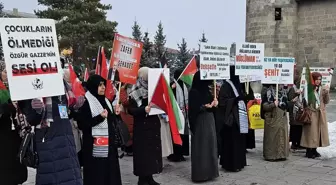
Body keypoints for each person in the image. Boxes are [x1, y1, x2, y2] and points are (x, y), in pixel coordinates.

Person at [19, 87, 83, 184]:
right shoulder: (31, 87)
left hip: (67, 143)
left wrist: (75, 108)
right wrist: (37, 111)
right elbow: (32, 120)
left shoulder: (61, 85)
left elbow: (66, 114)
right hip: (48, 144)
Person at [77, 75, 122, 185]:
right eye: (99, 85)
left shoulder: (106, 100)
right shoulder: (86, 102)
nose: (102, 88)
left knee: (110, 174)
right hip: (94, 147)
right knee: (97, 175)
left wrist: (116, 113)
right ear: (93, 86)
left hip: (109, 147)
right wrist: (99, 118)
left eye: (103, 85)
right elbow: (82, 124)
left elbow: (110, 120)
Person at [128, 67, 162, 185]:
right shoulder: (134, 91)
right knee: (143, 154)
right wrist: (144, 109)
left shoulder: (153, 89)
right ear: (143, 76)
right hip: (141, 128)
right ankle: (142, 179)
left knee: (152, 153)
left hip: (152, 125)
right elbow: (131, 110)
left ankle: (150, 177)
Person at [0, 61, 28, 185]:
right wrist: (7, 108)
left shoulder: (12, 87)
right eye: (5, 71)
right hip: (3, 136)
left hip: (15, 134)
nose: (7, 74)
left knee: (16, 167)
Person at [188, 71, 219, 182]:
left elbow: (211, 105)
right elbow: (194, 108)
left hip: (209, 120)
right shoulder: (194, 92)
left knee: (210, 146)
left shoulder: (207, 90)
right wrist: (205, 107)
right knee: (201, 147)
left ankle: (210, 172)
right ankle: (201, 174)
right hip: (200, 122)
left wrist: (214, 103)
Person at [216, 66, 247, 172]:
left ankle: (239, 162)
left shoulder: (236, 85)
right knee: (231, 143)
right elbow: (222, 102)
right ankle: (231, 164)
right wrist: (234, 100)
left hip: (239, 118)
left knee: (239, 142)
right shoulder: (226, 85)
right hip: (231, 120)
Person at [301, 72, 330, 158]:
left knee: (318, 132)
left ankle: (314, 150)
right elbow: (305, 102)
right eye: (316, 79)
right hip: (311, 113)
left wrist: (327, 93)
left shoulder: (322, 88)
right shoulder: (308, 88)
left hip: (320, 113)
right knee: (310, 132)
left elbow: (326, 101)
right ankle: (308, 150)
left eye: (320, 79)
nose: (318, 81)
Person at [261, 84, 289, 161]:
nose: (281, 85)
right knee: (272, 138)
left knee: (281, 136)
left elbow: (287, 105)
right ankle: (271, 155)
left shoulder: (284, 92)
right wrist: (273, 104)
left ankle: (282, 154)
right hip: (272, 118)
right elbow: (264, 106)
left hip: (282, 119)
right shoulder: (268, 92)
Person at [168, 68, 190, 162]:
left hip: (182, 113)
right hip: (177, 113)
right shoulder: (173, 85)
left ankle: (180, 153)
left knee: (181, 133)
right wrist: (170, 88)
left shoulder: (183, 85)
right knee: (178, 133)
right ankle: (178, 154)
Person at [288, 74, 304, 150]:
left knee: (299, 128)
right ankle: (294, 143)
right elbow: (290, 100)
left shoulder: (302, 89)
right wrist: (296, 94)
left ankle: (299, 142)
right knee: (295, 128)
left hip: (300, 111)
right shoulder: (293, 88)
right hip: (294, 112)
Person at [119, 83, 135, 156]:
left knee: (133, 129)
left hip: (133, 112)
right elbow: (124, 101)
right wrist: (132, 98)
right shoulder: (123, 89)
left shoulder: (135, 87)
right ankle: (129, 148)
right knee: (128, 130)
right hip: (126, 113)